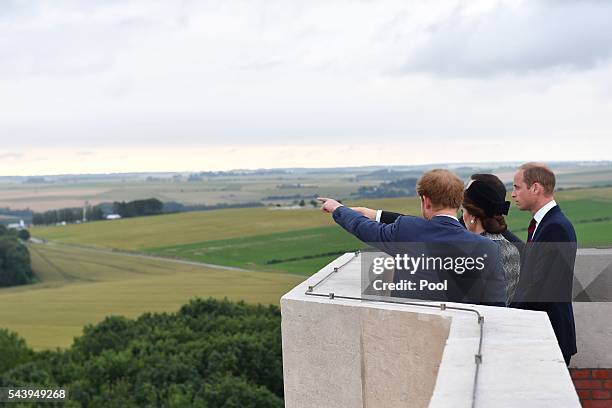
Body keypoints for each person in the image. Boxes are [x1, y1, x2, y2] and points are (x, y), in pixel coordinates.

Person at [319, 169, 506, 305]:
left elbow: (363, 227)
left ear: (426, 201)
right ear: (459, 201)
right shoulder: (488, 248)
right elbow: (497, 308)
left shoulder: (407, 230)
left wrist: (337, 208)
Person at [510, 162, 577, 366]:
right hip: (544, 334)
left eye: (517, 187)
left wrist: (506, 313)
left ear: (536, 188)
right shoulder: (545, 224)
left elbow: (540, 287)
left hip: (551, 336)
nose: (513, 194)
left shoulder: (555, 227)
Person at [352, 173, 524, 253]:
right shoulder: (465, 227)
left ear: (471, 209)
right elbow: (427, 227)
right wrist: (373, 214)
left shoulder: (517, 251)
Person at [461, 179, 521, 305]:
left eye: (463, 211)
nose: (463, 216)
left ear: (473, 216)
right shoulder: (512, 248)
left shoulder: (475, 252)